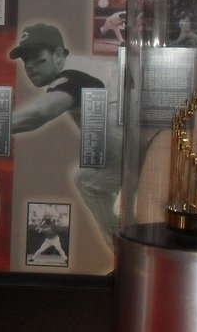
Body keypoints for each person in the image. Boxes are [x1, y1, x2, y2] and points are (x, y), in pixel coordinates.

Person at [10, 23, 121, 249]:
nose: (30, 66)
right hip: (139, 151)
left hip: (153, 151)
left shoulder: (73, 75)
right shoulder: (83, 69)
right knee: (87, 180)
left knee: (93, 183)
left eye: (38, 58)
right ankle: (124, 253)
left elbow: (40, 113)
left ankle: (127, 254)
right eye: (26, 60)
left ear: (59, 54)